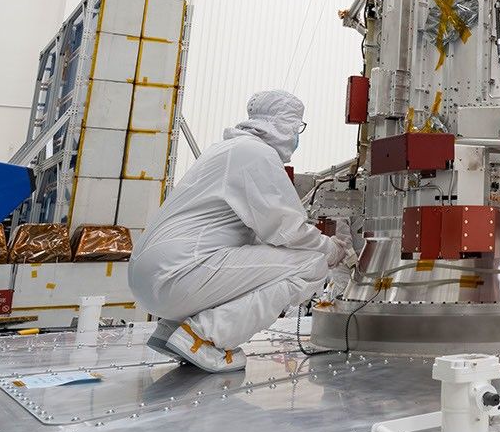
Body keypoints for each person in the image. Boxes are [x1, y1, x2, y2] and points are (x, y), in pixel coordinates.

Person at [130, 90, 351, 372]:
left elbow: (260, 235)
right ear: (284, 125)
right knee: (312, 263)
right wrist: (331, 249)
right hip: (178, 273)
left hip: (155, 275)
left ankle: (172, 331)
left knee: (269, 260)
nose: (297, 137)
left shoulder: (226, 150)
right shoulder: (254, 153)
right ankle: (204, 337)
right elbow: (286, 229)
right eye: (298, 128)